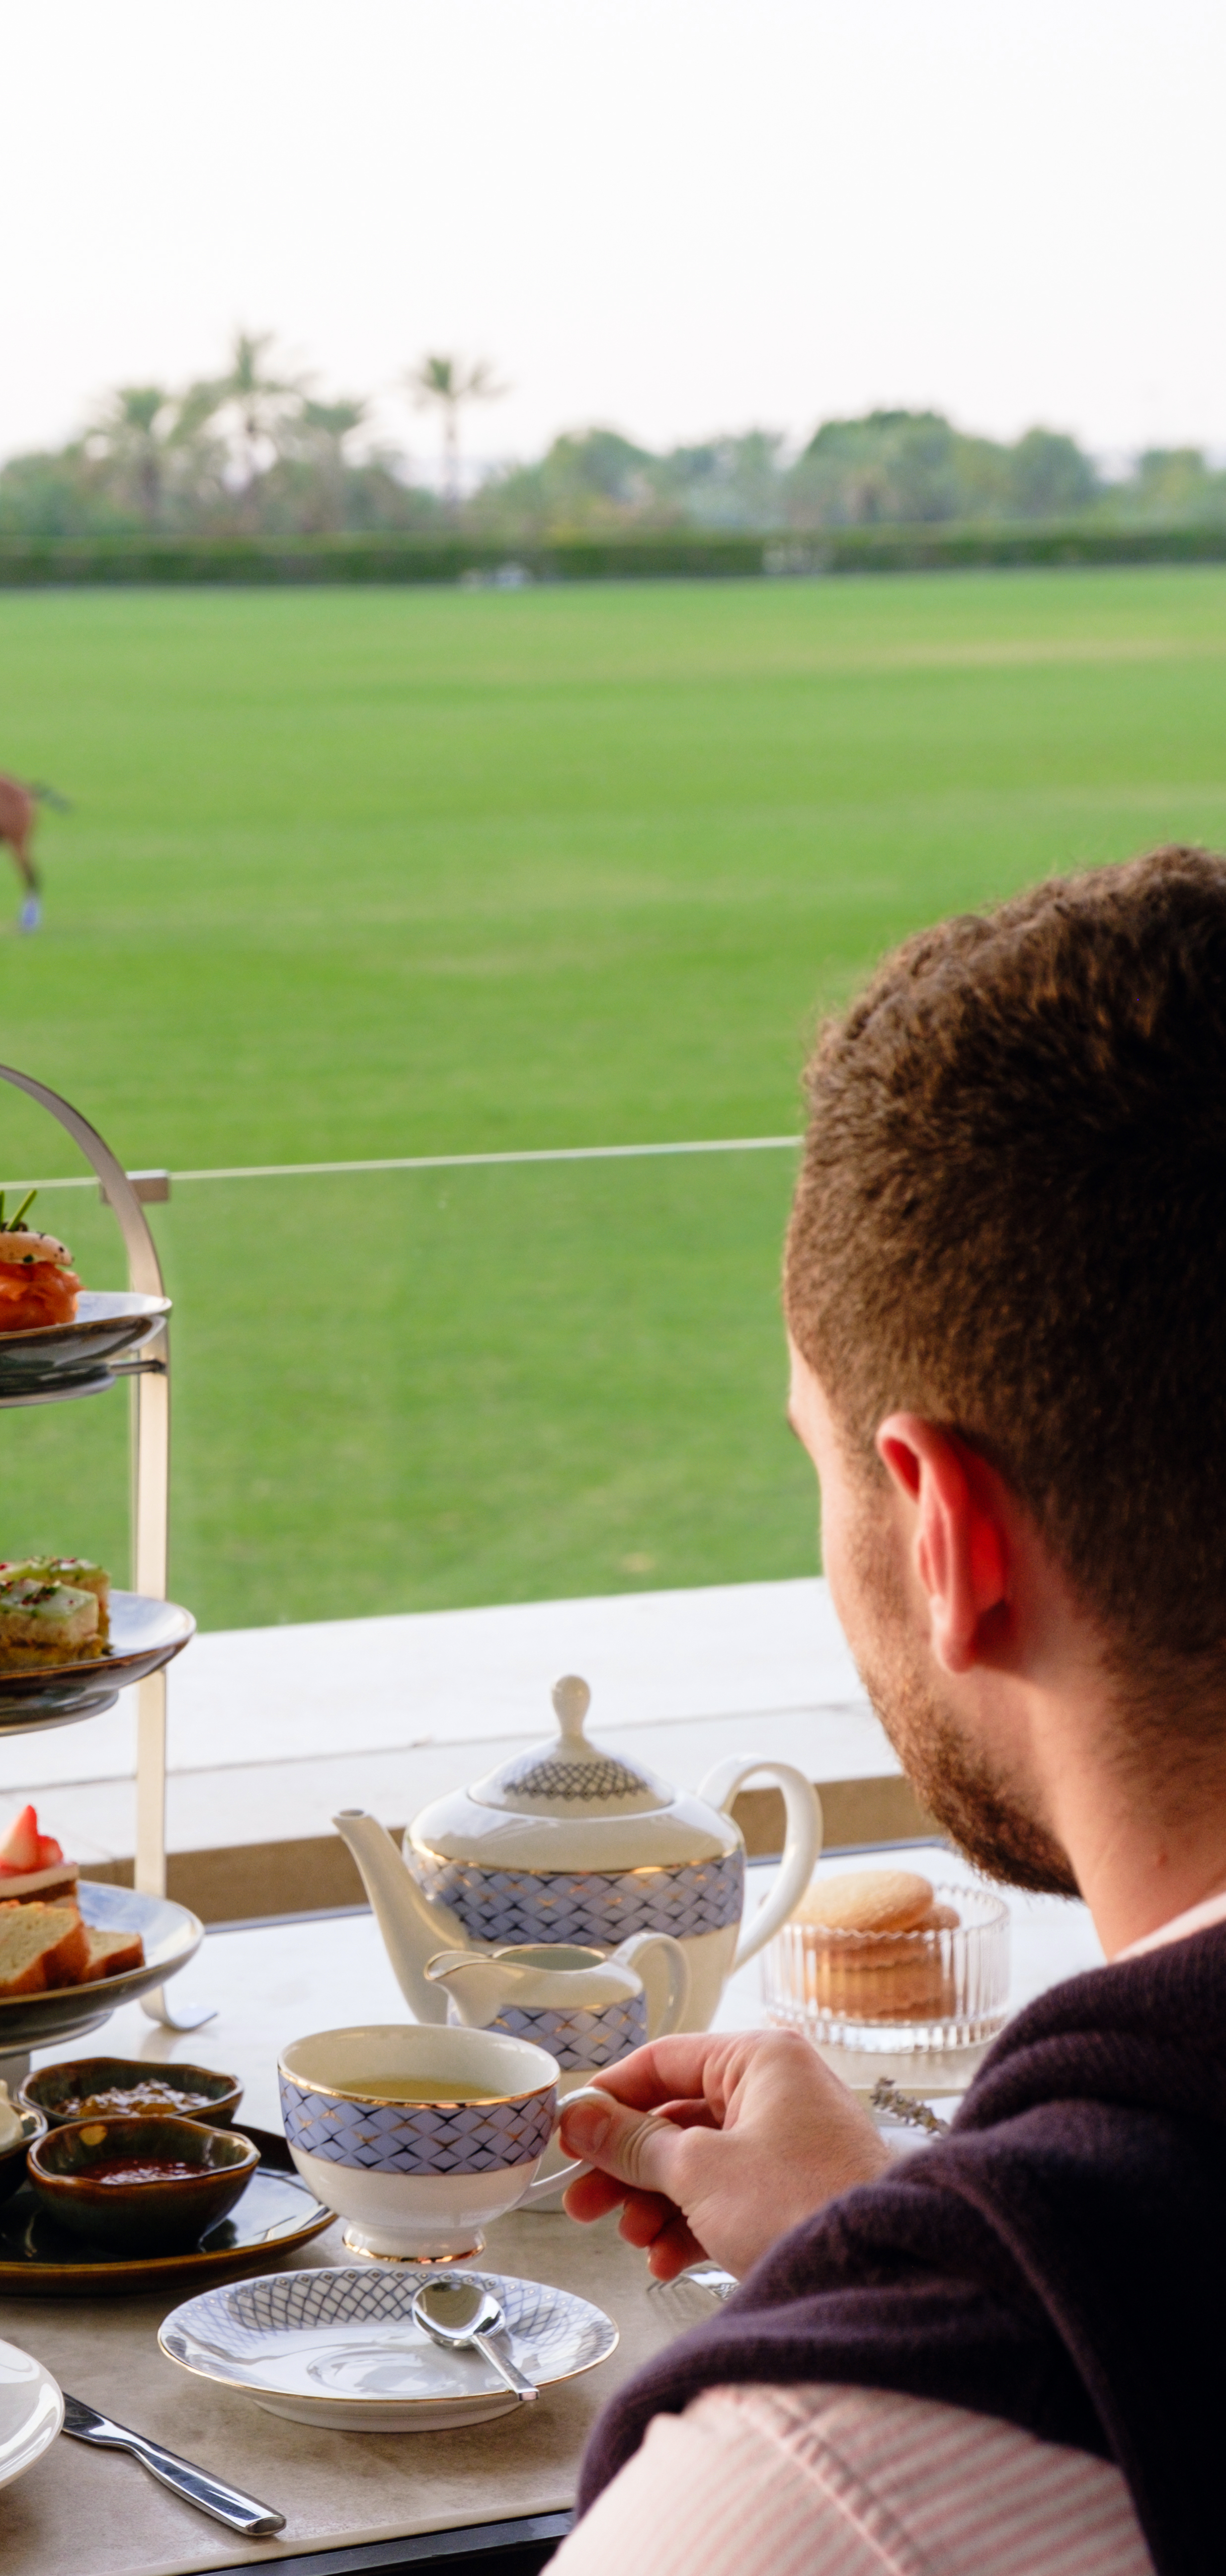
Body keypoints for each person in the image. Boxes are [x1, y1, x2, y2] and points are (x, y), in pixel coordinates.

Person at [550, 846, 1226, 2576]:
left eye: (817, 1463)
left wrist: (910, 2299)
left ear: (946, 1534)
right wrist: (889, 2236)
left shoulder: (827, 2486)